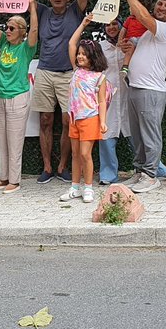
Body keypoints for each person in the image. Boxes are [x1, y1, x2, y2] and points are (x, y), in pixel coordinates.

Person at [23, 0, 90, 184]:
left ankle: (63, 166)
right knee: (45, 121)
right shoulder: (40, 11)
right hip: (44, 72)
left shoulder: (75, 11)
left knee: (67, 121)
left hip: (69, 74)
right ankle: (47, 167)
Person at [117, 0, 166, 194]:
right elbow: (126, 45)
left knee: (150, 135)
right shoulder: (147, 33)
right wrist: (127, 46)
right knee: (138, 135)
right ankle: (140, 171)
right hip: (135, 87)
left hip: (151, 90)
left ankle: (151, 175)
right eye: (160, 4)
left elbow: (141, 16)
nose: (161, 8)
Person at [0, 0, 39, 193]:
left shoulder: (26, 48)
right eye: (7, 27)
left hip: (17, 97)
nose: (8, 30)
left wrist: (32, 5)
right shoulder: (4, 43)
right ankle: (4, 178)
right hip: (1, 97)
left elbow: (35, 30)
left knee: (15, 141)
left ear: (22, 31)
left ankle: (15, 180)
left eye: (12, 28)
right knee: (2, 141)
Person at [60, 14, 109, 203]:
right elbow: (71, 44)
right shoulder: (76, 71)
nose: (79, 56)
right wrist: (83, 24)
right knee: (75, 154)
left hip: (90, 118)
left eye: (83, 54)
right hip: (74, 118)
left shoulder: (99, 77)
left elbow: (102, 101)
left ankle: (88, 187)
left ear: (93, 56)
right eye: (79, 53)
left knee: (84, 153)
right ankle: (74, 187)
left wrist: (103, 121)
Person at [98, 19, 127, 186]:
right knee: (106, 132)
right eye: (107, 25)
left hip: (128, 93)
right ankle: (108, 173)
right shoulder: (100, 47)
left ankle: (152, 168)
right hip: (107, 98)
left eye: (115, 24)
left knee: (138, 133)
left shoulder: (129, 44)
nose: (111, 27)